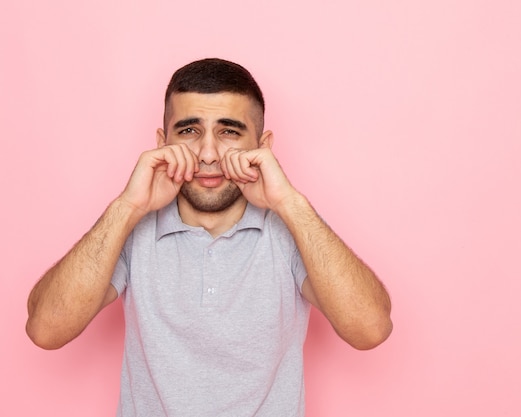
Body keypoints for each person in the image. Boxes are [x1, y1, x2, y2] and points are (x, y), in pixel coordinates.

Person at [26, 58, 393, 416]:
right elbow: (46, 329)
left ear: (263, 146)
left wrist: (289, 203)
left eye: (229, 131)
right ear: (162, 141)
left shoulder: (293, 227)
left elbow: (370, 329)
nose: (208, 153)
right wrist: (127, 207)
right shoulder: (131, 227)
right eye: (189, 131)